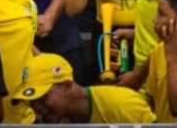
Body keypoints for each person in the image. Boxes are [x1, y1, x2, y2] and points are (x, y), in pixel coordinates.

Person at [9, 52, 155, 123]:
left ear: (67, 86)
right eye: (31, 101)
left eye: (43, 97)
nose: (37, 108)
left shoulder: (123, 105)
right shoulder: (54, 124)